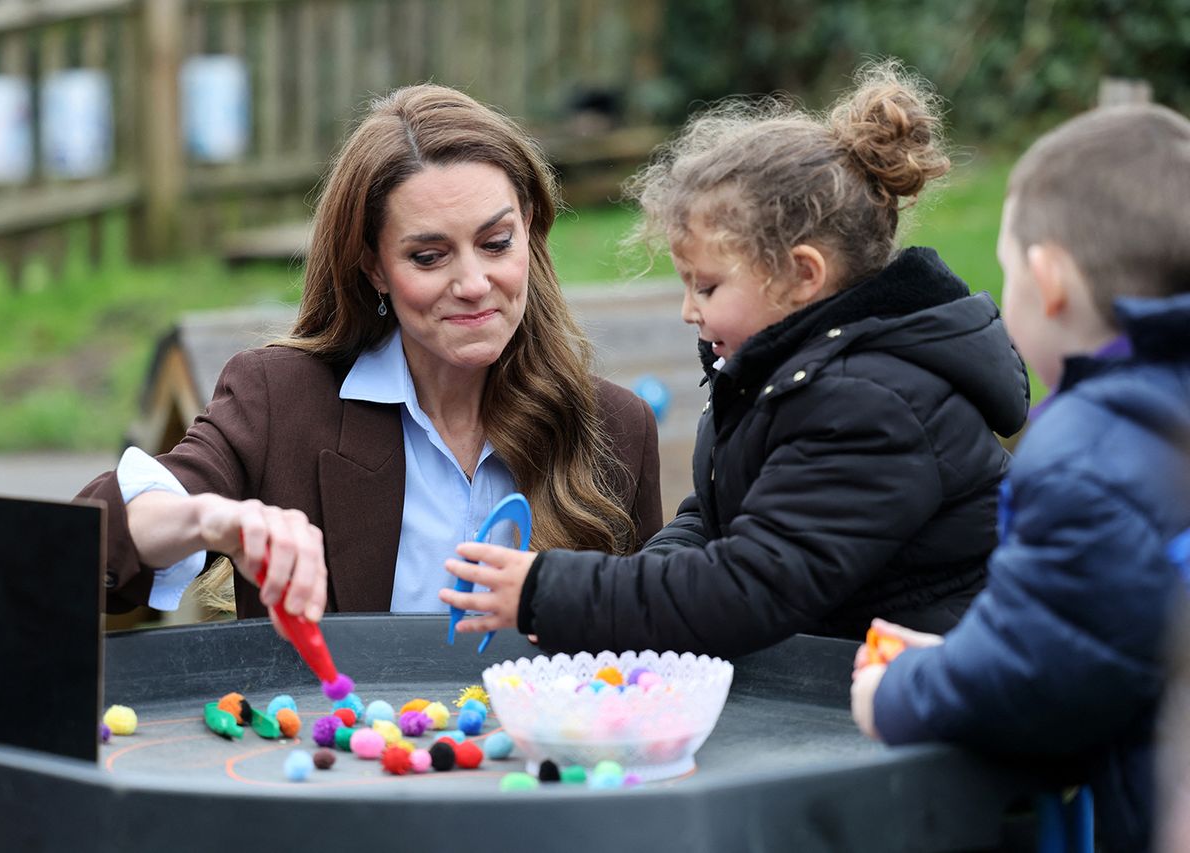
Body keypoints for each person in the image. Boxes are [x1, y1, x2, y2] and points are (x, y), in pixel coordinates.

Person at [439, 62, 1027, 656]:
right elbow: (718, 517)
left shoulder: (872, 404)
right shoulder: (782, 375)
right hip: (837, 677)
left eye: (709, 287)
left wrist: (552, 592)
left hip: (928, 700)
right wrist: (634, 583)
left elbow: (751, 587)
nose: (689, 312)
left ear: (801, 274)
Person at [78, 84, 663, 624]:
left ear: (530, 230)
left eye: (495, 243)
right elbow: (98, 544)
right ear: (373, 266)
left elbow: (644, 653)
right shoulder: (281, 401)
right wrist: (211, 520)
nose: (474, 282)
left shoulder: (617, 428)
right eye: (428, 257)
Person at [850, 104, 1190, 852]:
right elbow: (1092, 630)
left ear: (1049, 280)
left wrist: (900, 692)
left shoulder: (1087, 455)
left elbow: (1035, 676)